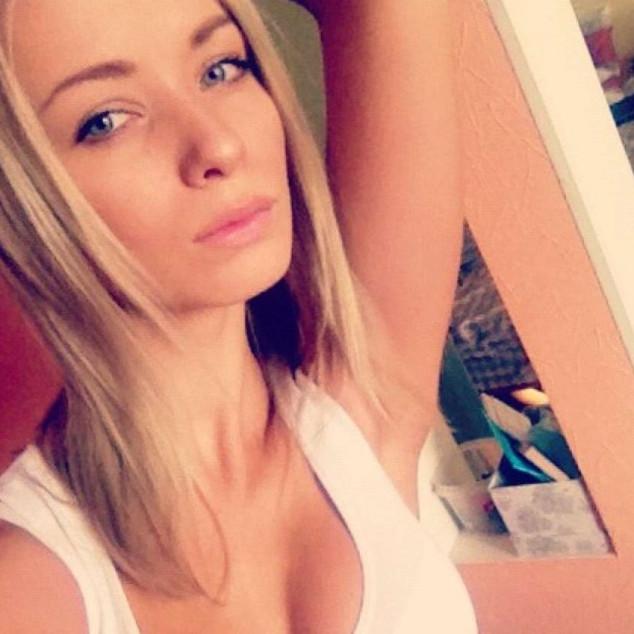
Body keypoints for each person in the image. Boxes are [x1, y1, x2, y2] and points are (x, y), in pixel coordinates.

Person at [0, 0, 477, 632]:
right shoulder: (27, 587)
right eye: (105, 121)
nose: (219, 143)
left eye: (221, 68)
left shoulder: (359, 408)